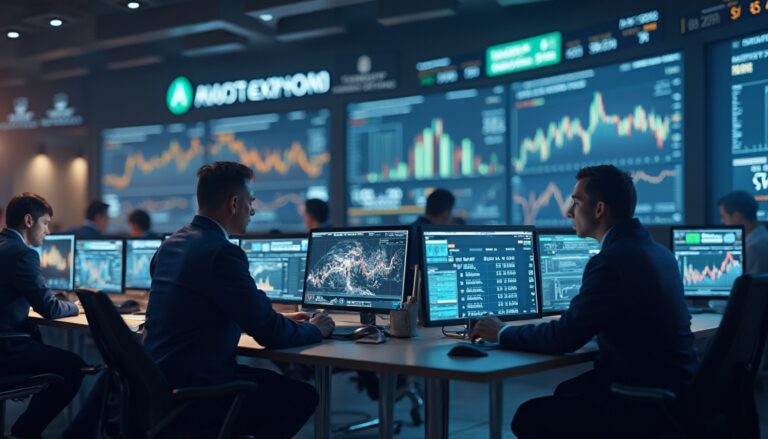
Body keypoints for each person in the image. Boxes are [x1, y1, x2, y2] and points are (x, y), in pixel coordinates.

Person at [471, 165, 698, 438]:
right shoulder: (658, 252)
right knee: (566, 391)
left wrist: (501, 332)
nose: (568, 212)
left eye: (576, 203)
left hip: (643, 401)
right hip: (676, 389)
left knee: (528, 417)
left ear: (599, 209)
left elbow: (563, 338)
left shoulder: (611, 261)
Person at [142, 161, 335, 438]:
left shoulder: (171, 243)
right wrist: (316, 328)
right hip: (199, 390)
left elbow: (203, 310)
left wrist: (277, 317)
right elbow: (271, 335)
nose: (253, 211)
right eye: (250, 202)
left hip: (160, 382)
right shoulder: (221, 253)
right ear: (234, 203)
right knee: (301, 396)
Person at [0, 193, 84, 438]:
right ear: (29, 221)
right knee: (74, 366)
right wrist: (76, 306)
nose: (47, 231)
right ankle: (24, 432)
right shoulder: (23, 254)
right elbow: (51, 309)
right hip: (7, 350)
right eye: (45, 223)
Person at [718, 190, 768, 274]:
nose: (722, 222)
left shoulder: (752, 249)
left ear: (737, 217)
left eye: (724, 217)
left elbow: (745, 285)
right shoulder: (762, 237)